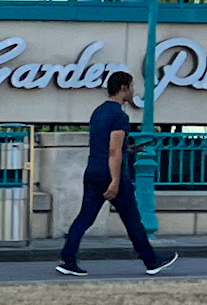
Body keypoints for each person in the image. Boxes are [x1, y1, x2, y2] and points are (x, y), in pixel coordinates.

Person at [57, 70, 176, 276]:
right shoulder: (119, 116)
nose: (133, 91)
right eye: (131, 86)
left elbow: (106, 145)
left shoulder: (98, 112)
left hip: (92, 172)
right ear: (123, 88)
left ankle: (68, 260)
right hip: (111, 175)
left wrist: (128, 149)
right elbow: (113, 151)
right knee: (132, 220)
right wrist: (115, 181)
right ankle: (151, 262)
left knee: (85, 218)